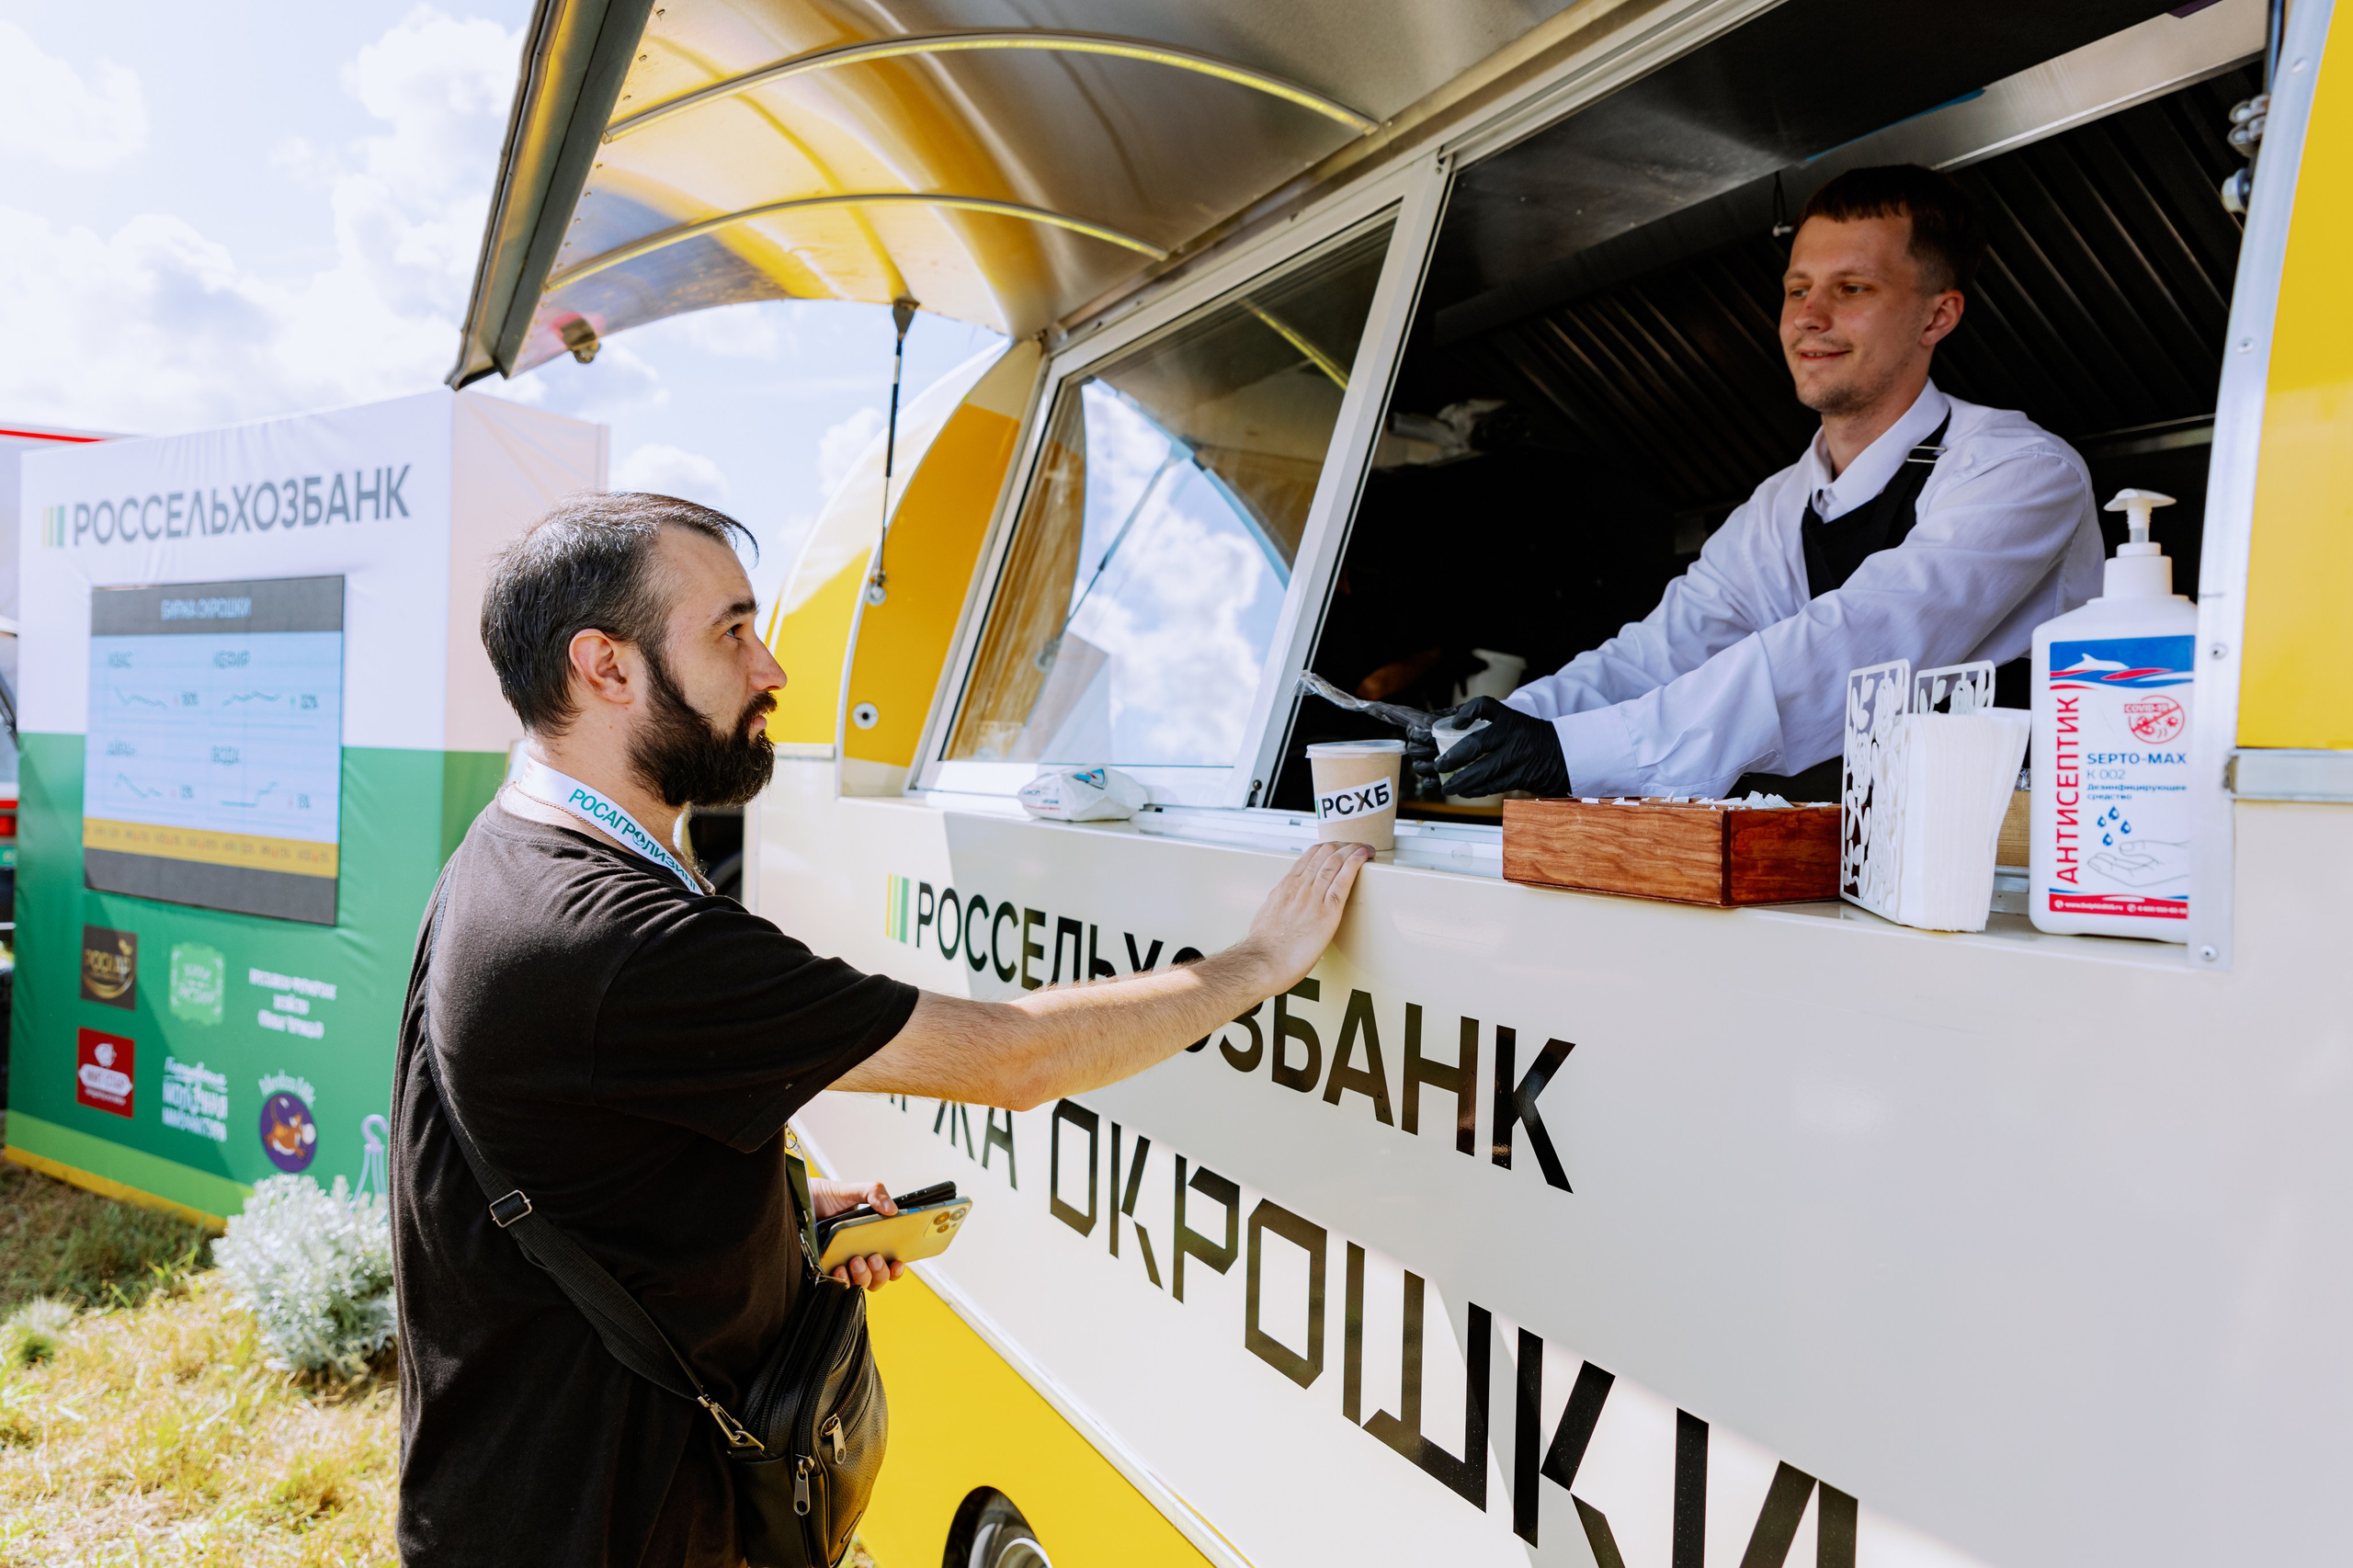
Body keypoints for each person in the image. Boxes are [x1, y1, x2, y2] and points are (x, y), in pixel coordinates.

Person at [391, 493, 1370, 1566]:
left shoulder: (515, 849)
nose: (770, 669)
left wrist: (775, 1211)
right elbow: (1015, 1055)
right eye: (732, 631)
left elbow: (573, 1135)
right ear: (606, 666)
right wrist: (1255, 961)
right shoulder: (616, 937)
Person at [1422, 164, 2102, 801]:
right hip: (1856, 862)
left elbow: (1861, 639)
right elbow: (1661, 654)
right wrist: (1486, 727)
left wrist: (1575, 751)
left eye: (1853, 288)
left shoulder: (2019, 472)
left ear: (1937, 316)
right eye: (1798, 289)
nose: (1809, 316)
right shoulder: (1779, 506)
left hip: (2018, 869)